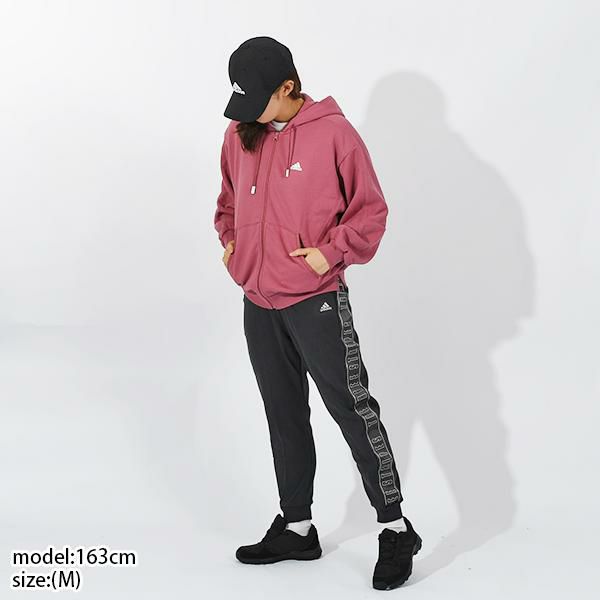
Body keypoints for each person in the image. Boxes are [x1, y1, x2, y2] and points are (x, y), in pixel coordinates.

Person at [214, 36, 422, 590]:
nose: (244, 112)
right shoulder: (239, 134)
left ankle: (396, 528)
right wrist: (231, 242)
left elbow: (370, 212)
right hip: (258, 302)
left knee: (353, 410)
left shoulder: (335, 135)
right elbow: (227, 201)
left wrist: (329, 254)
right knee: (283, 413)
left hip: (316, 300)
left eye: (255, 99)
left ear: (288, 87)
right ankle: (298, 528)